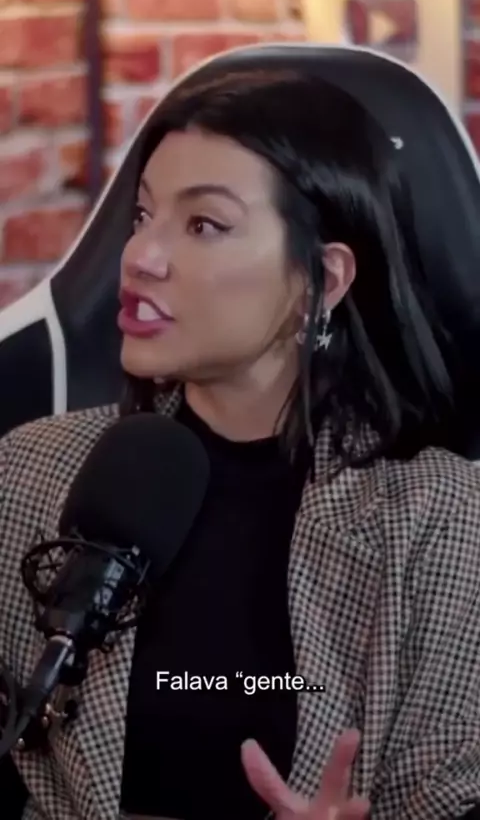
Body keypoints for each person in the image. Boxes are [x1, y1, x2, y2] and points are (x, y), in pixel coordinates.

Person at [0, 67, 480, 820]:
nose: (141, 256)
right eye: (143, 215)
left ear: (322, 279)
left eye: (203, 225)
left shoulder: (439, 519)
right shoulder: (31, 470)